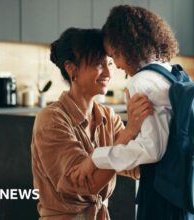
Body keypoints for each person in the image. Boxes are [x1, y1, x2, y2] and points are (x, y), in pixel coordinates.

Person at [71, 5, 194, 220]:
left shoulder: (141, 82)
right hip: (188, 190)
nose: (118, 66)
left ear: (126, 48)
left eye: (114, 56)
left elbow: (151, 151)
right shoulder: (173, 73)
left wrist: (95, 157)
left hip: (164, 195)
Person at [30, 27, 153, 220]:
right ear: (72, 68)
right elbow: (85, 185)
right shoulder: (51, 119)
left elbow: (131, 165)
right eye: (98, 63)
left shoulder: (107, 115)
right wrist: (130, 131)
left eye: (109, 63)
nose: (107, 73)